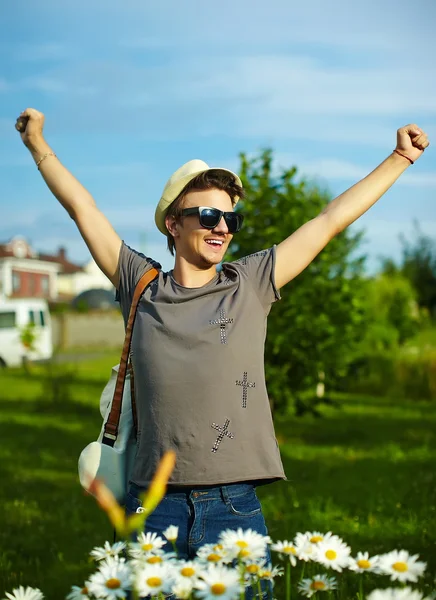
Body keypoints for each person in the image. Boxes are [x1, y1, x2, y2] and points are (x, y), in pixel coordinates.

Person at [17, 108, 429, 598]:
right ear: (173, 223)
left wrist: (400, 157)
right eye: (209, 215)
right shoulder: (140, 284)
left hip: (235, 508)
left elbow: (329, 221)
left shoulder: (250, 283)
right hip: (153, 508)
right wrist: (38, 145)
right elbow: (83, 209)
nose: (222, 227)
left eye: (230, 218)